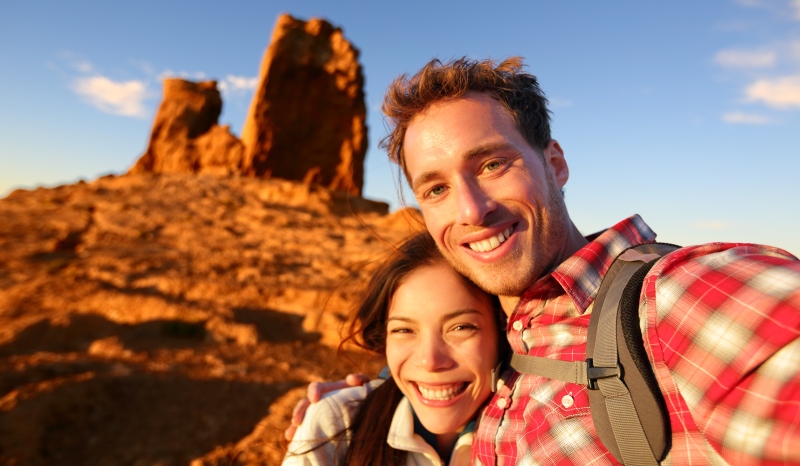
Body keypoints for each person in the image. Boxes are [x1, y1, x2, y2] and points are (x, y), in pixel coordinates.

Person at [288, 57, 800, 465]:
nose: (471, 210)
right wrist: (374, 398)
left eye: (492, 164)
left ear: (554, 163)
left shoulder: (676, 301)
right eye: (437, 188)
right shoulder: (507, 342)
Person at [282, 232, 508, 466]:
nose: (429, 361)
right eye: (404, 330)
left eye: (460, 327)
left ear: (503, 333)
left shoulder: (534, 436)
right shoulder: (336, 425)